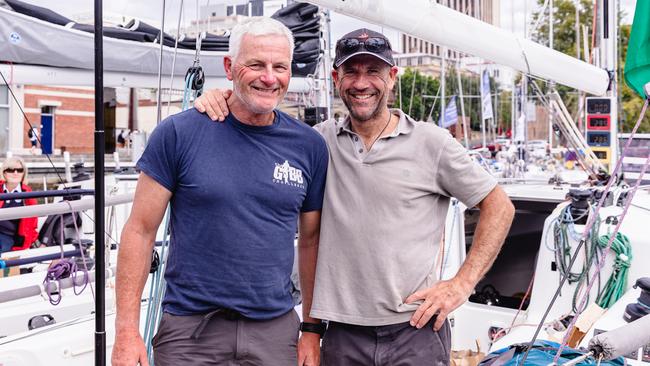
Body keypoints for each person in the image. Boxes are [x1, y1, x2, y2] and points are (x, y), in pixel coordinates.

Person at [195, 28, 515, 365]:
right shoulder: (315, 144)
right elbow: (260, 121)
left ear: (392, 77)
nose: (361, 83)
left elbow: (499, 206)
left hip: (415, 331)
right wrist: (221, 98)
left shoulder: (431, 144)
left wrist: (461, 284)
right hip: (341, 336)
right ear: (336, 78)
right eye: (351, 71)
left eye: (373, 71)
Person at [112, 17, 328, 366]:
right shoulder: (178, 134)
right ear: (229, 67)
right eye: (255, 64)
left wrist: (312, 330)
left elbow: (311, 240)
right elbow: (140, 230)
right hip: (190, 333)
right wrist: (126, 332)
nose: (269, 77)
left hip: (275, 335)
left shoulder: (309, 147)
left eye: (280, 67)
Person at [0, 156, 38, 254]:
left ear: (23, 173)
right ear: (4, 172)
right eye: (11, 170)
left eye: (19, 170)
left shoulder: (28, 194)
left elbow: (33, 223)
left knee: (3, 249)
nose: (15, 173)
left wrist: (30, 241)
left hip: (9, 236)